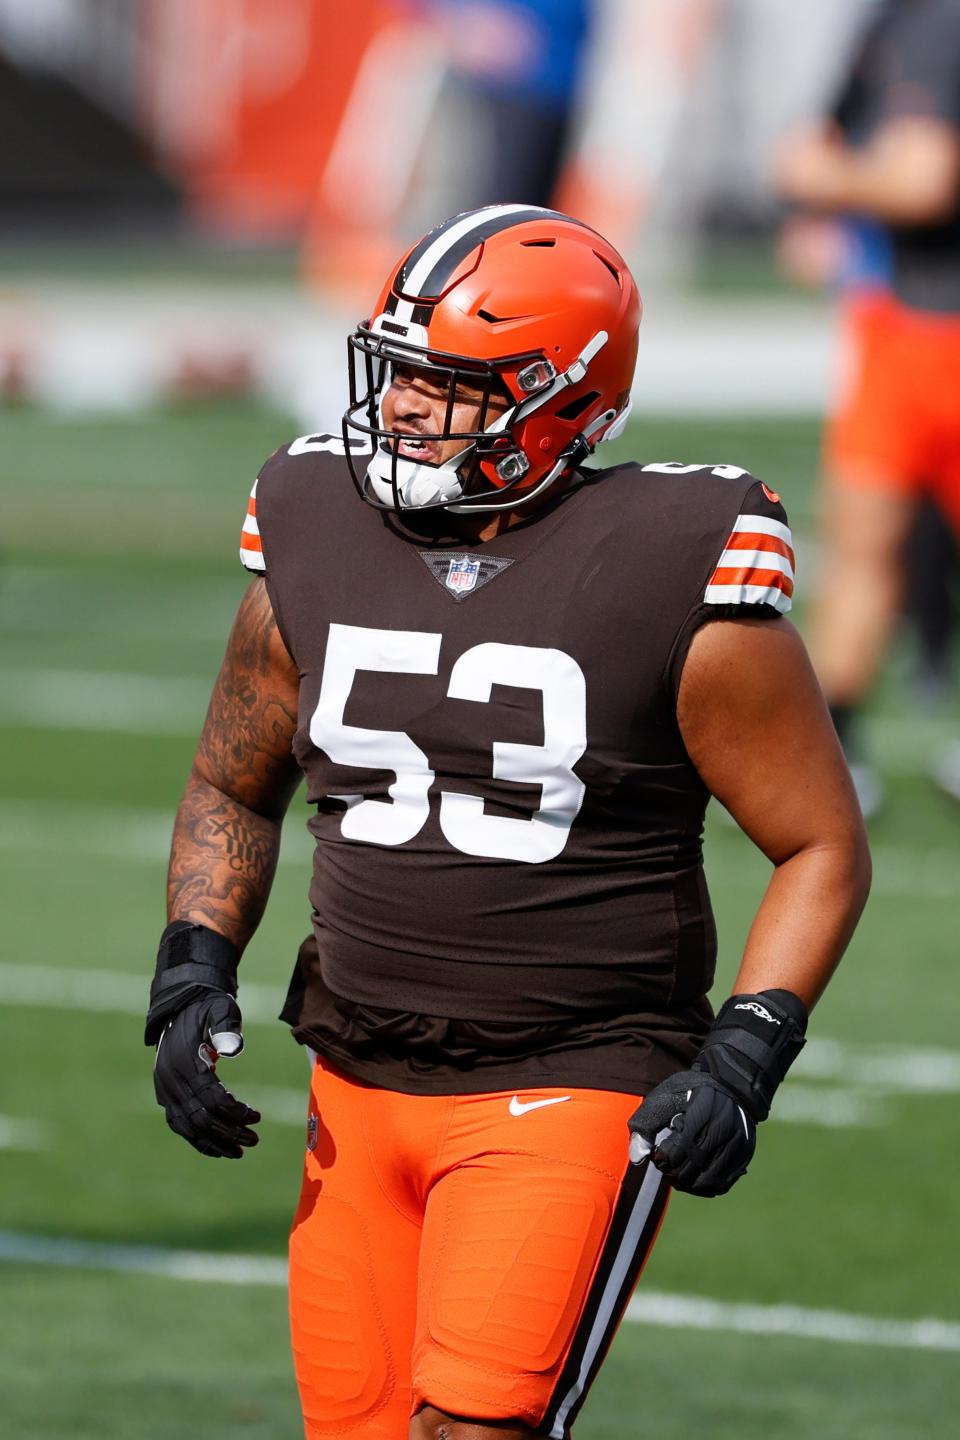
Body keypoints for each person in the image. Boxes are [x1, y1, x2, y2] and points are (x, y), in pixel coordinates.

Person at [145, 204, 870, 1440]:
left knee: (476, 1430)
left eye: (451, 386)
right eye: (401, 375)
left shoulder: (669, 561)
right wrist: (193, 965)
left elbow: (819, 841)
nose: (406, 410)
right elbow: (232, 778)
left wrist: (749, 1054)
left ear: (564, 401)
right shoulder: (316, 514)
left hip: (576, 1076)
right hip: (356, 1078)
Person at [776, 0, 960, 810]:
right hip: (900, 325)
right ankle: (834, 745)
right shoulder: (894, 18)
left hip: (926, 331)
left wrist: (821, 181)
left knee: (864, 552)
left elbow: (922, 179)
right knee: (863, 545)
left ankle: (833, 754)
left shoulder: (933, 22)